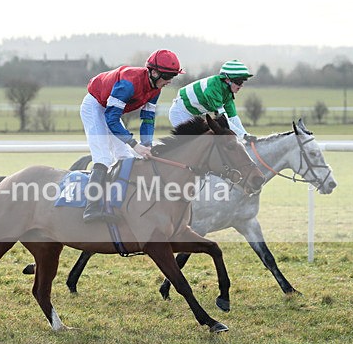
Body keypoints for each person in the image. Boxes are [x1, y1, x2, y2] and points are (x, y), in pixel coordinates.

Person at [80, 49, 185, 223]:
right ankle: (91, 209)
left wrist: (147, 145)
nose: (169, 81)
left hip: (109, 110)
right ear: (154, 72)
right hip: (95, 105)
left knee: (126, 157)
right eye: (167, 77)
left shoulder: (155, 89)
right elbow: (111, 119)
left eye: (172, 76)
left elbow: (148, 119)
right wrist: (134, 143)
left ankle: (118, 203)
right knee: (104, 158)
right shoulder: (128, 84)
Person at [167, 59, 253, 138]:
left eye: (243, 81)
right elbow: (223, 120)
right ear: (227, 80)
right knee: (196, 144)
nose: (241, 85)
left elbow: (233, 118)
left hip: (193, 116)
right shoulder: (213, 88)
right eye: (239, 82)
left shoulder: (227, 93)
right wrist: (243, 136)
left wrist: (245, 134)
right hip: (180, 113)